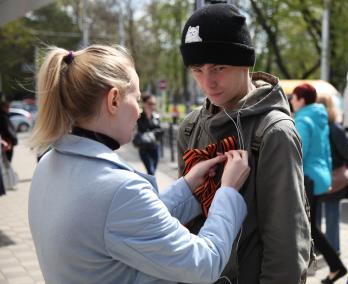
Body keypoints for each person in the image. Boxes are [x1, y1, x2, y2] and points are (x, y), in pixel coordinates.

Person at [28, 44, 251, 284]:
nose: (139, 113)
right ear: (113, 100)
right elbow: (205, 263)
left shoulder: (49, 162)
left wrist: (187, 186)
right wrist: (227, 192)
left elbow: (128, 225)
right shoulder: (118, 190)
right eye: (135, 98)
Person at [177, 3, 311, 283]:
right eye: (197, 69)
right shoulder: (190, 127)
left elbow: (286, 240)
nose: (208, 82)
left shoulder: (274, 132)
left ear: (246, 63)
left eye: (219, 67)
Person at [290, 83, 347, 283]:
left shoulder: (303, 120)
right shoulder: (320, 118)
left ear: (302, 100)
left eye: (294, 98)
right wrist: (329, 179)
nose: (291, 101)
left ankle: (335, 266)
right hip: (320, 177)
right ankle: (333, 266)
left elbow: (298, 154)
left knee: (308, 227)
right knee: (309, 226)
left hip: (308, 179)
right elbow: (326, 152)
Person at [316, 94, 348, 254]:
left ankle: (317, 249)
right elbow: (347, 153)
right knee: (332, 215)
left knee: (315, 216)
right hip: (335, 176)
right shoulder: (335, 128)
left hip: (317, 175)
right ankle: (333, 249)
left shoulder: (314, 126)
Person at [135, 93, 163, 175]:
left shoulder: (156, 116)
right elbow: (138, 129)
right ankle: (152, 187)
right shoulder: (139, 117)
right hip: (144, 148)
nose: (152, 106)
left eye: (154, 104)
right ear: (144, 104)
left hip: (155, 147)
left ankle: (150, 186)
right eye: (150, 103)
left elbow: (160, 130)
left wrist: (152, 134)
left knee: (153, 171)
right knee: (150, 171)